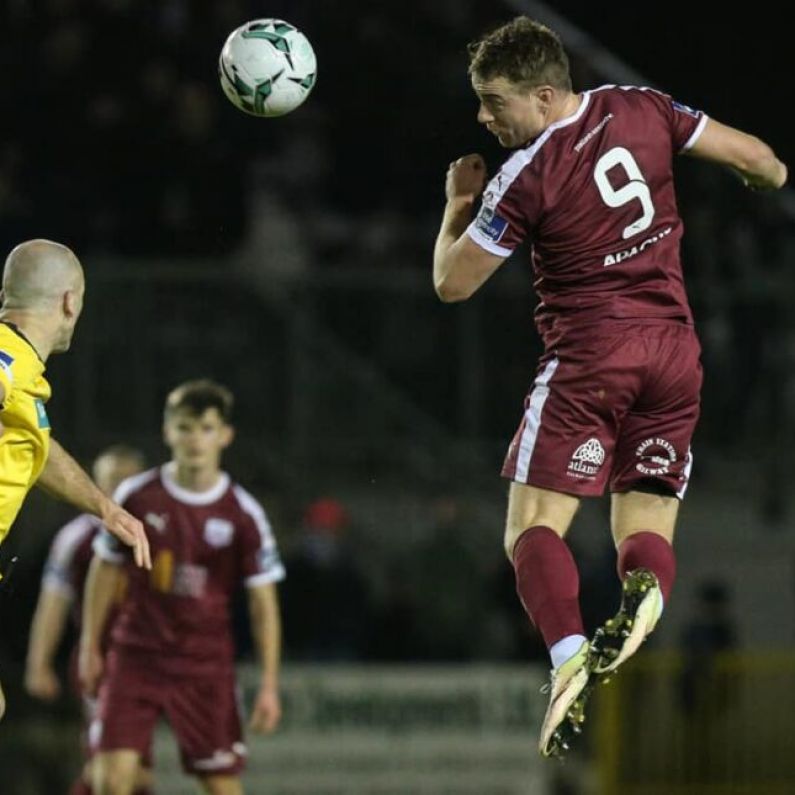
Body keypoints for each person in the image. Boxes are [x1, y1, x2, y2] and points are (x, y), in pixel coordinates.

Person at [432, 16, 787, 758]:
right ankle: (645, 597)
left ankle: (566, 660)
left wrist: (455, 207)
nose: (483, 117)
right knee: (644, 527)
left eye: (493, 102)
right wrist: (765, 178)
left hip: (592, 356)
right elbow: (757, 158)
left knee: (530, 525)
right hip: (674, 353)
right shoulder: (640, 104)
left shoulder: (524, 175)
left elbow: (451, 283)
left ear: (541, 93)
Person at [80, 379, 285, 795]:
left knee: (219, 781)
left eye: (206, 428)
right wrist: (89, 645)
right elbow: (105, 570)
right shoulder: (137, 495)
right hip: (137, 654)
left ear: (225, 435)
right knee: (110, 778)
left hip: (203, 663)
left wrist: (268, 684)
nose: (195, 439)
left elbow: (263, 602)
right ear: (167, 431)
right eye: (185, 427)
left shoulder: (244, 513)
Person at [0, 239, 151, 721]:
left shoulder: (19, 371)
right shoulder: (7, 365)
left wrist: (104, 507)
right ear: (70, 301)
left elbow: (37, 447)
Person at [24, 444, 153, 795]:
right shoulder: (76, 539)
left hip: (160, 663)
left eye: (128, 480)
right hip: (103, 663)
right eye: (111, 480)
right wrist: (39, 662)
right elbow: (53, 603)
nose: (120, 489)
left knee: (135, 771)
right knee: (114, 768)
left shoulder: (163, 527)